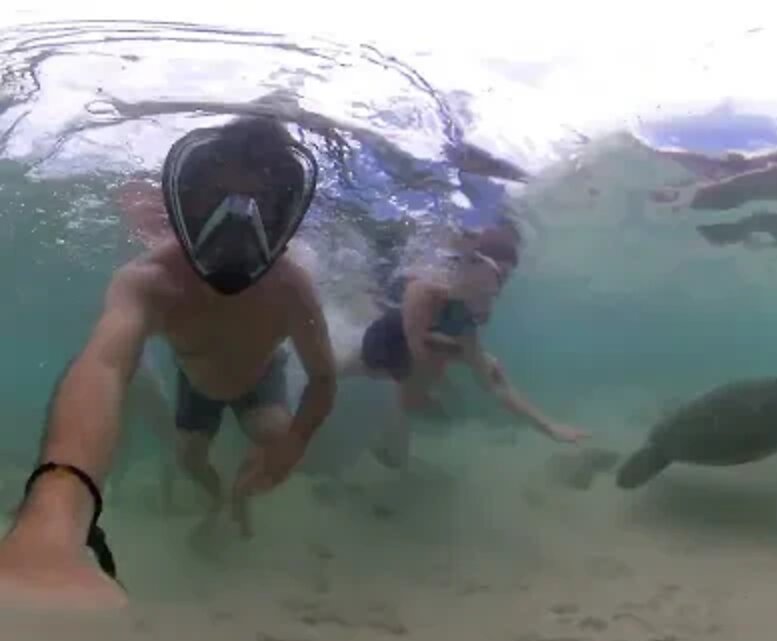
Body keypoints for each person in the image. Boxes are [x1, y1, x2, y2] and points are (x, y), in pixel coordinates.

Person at [0, 116, 337, 610]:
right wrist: (55, 510)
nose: (237, 224)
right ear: (185, 202)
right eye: (216, 199)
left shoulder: (292, 289)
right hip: (196, 387)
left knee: (271, 438)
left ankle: (238, 501)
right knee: (191, 460)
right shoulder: (150, 280)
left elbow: (325, 377)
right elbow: (105, 366)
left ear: (284, 212)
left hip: (260, 379)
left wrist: (295, 443)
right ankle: (216, 497)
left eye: (259, 204)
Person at [342, 214, 588, 470]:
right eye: (497, 276)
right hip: (383, 343)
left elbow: (493, 384)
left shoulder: (465, 317)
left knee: (485, 367)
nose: (497, 288)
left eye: (505, 279)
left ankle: (393, 438)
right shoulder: (426, 291)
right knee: (345, 368)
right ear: (474, 264)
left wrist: (550, 427)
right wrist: (447, 377)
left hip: (409, 347)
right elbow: (416, 356)